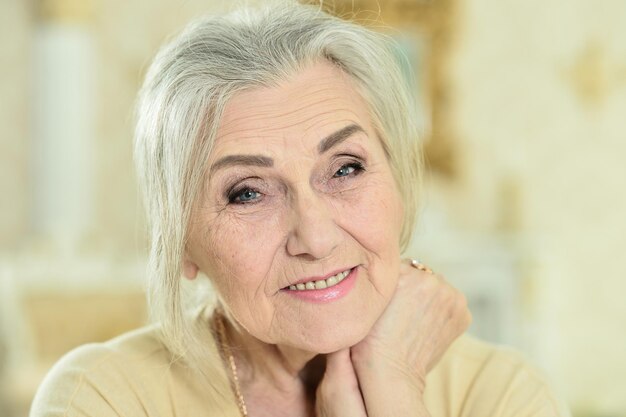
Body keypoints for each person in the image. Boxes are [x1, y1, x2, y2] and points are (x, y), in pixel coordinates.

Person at [31, 2, 570, 416]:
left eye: (345, 169)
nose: (315, 236)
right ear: (181, 243)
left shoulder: (499, 393)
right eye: (247, 193)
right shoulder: (103, 397)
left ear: (399, 183)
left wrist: (394, 385)